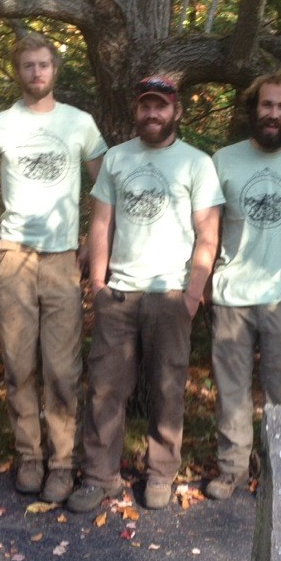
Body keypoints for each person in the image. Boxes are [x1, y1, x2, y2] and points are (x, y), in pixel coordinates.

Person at [67, 76, 224, 513]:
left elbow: (207, 233)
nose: (151, 114)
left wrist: (193, 293)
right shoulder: (117, 158)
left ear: (176, 112)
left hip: (170, 293)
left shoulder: (197, 164)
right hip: (119, 292)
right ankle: (100, 476)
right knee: (104, 388)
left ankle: (160, 474)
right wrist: (97, 284)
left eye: (160, 107)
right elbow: (101, 223)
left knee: (167, 387)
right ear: (137, 111)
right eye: (145, 107)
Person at [0, 33, 107, 502]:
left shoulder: (79, 123)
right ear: (17, 71)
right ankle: (30, 456)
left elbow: (106, 189)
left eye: (44, 64)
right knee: (18, 362)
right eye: (28, 65)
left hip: (63, 258)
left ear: (55, 70)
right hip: (14, 255)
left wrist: (91, 244)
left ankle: (63, 463)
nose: (36, 72)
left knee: (63, 368)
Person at [205, 69, 281, 499]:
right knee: (231, 389)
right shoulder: (224, 160)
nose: (274, 113)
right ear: (253, 109)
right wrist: (202, 278)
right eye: (267, 105)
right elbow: (209, 227)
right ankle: (232, 468)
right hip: (231, 292)